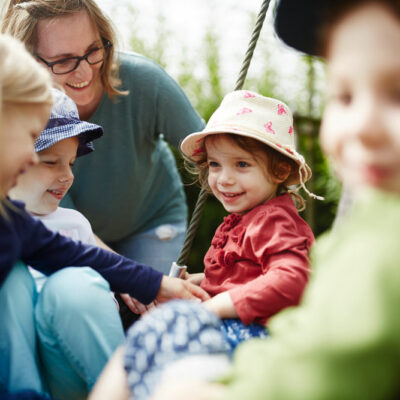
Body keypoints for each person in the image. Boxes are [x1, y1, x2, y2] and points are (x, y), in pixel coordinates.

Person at [90, 0, 400, 399]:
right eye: (343, 96)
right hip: (263, 351)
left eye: (241, 164)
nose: (223, 179)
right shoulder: (252, 220)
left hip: (254, 336)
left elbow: (291, 280)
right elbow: (245, 278)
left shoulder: (275, 221)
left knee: (154, 339)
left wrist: (210, 308)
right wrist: (200, 285)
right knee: (151, 334)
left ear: (280, 172)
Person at [0, 34, 209, 400]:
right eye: (30, 137)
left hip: (59, 360)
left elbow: (80, 254)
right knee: (15, 281)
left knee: (75, 282)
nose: (32, 156)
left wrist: (160, 285)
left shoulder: (12, 220)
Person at [1, 0, 205, 276]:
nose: (85, 72)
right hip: (63, 225)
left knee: (148, 307)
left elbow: (210, 153)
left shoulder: (146, 81)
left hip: (152, 221)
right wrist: (129, 277)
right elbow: (61, 222)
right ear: (27, 62)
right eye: (64, 60)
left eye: (93, 50)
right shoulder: (15, 117)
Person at [9, 88, 103, 291]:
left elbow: (100, 295)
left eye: (71, 163)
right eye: (51, 162)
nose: (68, 176)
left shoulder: (76, 225)